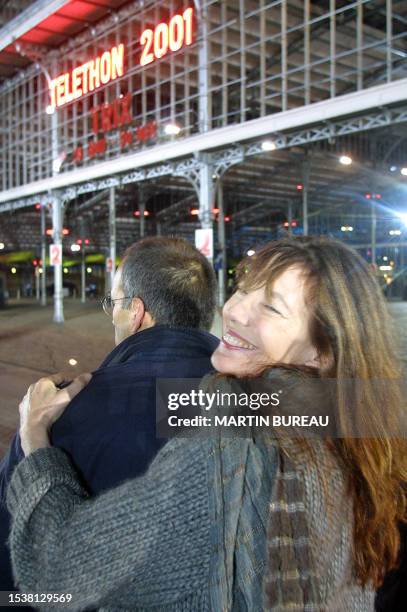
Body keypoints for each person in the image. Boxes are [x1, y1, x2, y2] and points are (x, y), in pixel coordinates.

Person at [6, 236, 407, 610]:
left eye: (270, 307)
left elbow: (56, 569)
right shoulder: (352, 432)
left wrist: (35, 439)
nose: (233, 311)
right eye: (244, 290)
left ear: (320, 352)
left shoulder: (232, 452)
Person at [0, 236, 219, 596]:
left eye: (113, 303)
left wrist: (34, 438)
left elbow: (16, 556)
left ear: (136, 312)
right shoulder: (264, 400)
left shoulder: (57, 413)